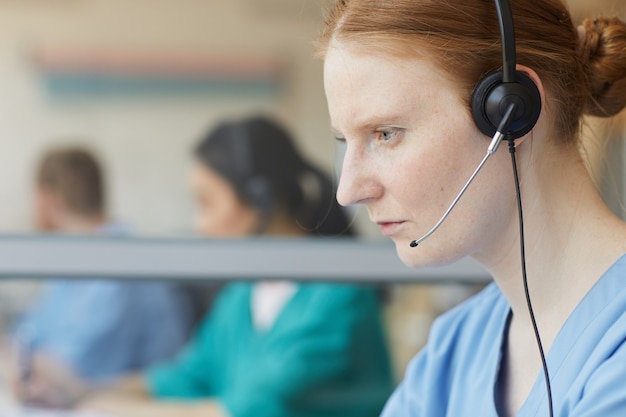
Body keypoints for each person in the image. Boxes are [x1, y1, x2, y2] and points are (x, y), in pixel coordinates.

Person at [317, 0, 626, 416]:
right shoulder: (453, 351)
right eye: (344, 142)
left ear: (510, 111)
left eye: (385, 134)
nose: (348, 190)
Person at [74, 116, 394, 417]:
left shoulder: (338, 295)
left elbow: (251, 408)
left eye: (207, 203)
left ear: (261, 200)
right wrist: (81, 391)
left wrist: (104, 408)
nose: (200, 226)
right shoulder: (242, 295)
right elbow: (188, 377)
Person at [11, 146, 192, 407]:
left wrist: (28, 366)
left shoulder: (115, 265)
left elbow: (63, 378)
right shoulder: (74, 260)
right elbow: (26, 343)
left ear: (48, 200)